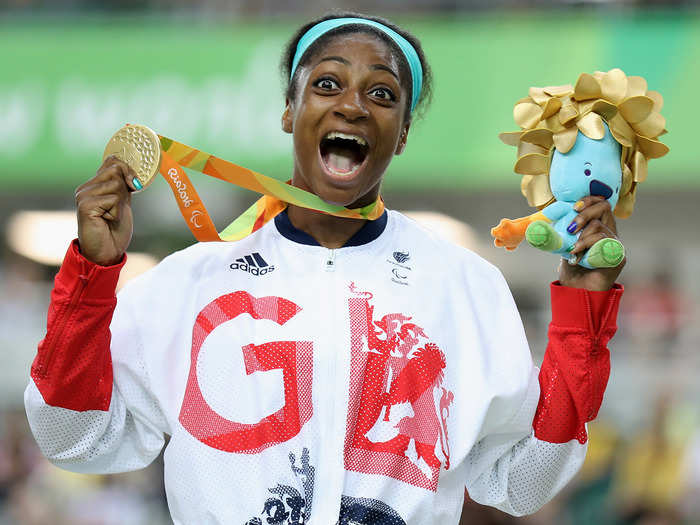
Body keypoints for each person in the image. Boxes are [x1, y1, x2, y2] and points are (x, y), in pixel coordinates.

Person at [24, 12, 625, 525]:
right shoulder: (186, 284)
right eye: (328, 84)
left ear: (404, 132)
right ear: (291, 110)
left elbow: (520, 483)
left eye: (382, 93)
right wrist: (91, 277)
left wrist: (582, 324)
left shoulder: (464, 286)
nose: (354, 106)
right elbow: (74, 438)